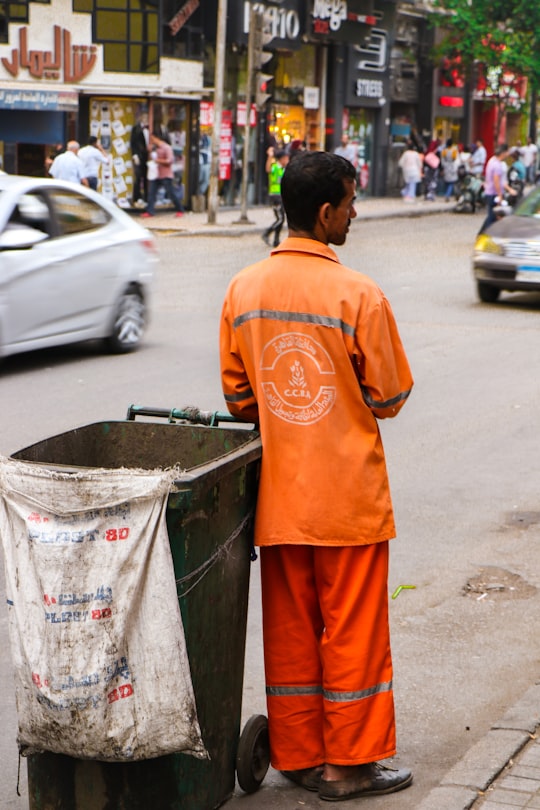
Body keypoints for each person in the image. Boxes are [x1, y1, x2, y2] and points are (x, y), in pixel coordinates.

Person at [219, 150, 414, 802]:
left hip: (279, 501)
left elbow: (240, 399)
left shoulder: (244, 290)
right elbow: (388, 396)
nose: (356, 214)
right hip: (348, 502)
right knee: (352, 634)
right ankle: (349, 766)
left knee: (294, 633)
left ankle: (300, 756)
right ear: (326, 212)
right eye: (353, 204)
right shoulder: (359, 295)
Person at [141, 133, 184, 218]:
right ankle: (150, 211)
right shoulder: (155, 148)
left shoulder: (166, 148)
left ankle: (180, 209)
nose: (152, 141)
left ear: (157, 138)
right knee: (152, 193)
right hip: (156, 174)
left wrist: (159, 161)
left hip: (166, 175)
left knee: (171, 193)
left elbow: (169, 161)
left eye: (153, 139)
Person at [479, 143, 512, 233]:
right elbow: (496, 181)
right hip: (494, 194)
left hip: (489, 192)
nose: (508, 154)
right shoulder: (497, 165)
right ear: (503, 153)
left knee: (492, 215)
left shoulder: (491, 161)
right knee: (493, 217)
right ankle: (487, 235)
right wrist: (500, 195)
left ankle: (483, 234)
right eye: (507, 152)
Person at [262, 147, 289, 247]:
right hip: (275, 195)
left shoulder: (284, 169)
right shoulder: (276, 167)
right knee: (280, 219)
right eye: (286, 158)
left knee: (280, 218)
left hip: (280, 195)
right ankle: (267, 233)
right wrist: (270, 156)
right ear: (281, 159)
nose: (287, 160)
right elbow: (268, 169)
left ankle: (276, 240)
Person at [130, 113, 150, 207]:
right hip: (139, 156)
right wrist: (134, 155)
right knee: (138, 178)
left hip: (148, 157)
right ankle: (136, 198)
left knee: (147, 178)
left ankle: (146, 198)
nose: (146, 119)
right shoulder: (136, 128)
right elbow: (133, 142)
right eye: (144, 117)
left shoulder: (150, 128)